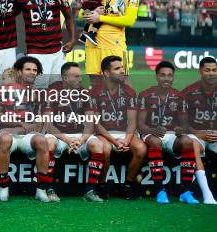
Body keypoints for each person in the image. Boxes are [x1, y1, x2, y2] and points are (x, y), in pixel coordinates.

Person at [138, 61, 204, 204]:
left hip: (171, 135)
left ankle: (186, 192)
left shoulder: (179, 97)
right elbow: (140, 126)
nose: (166, 79)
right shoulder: (145, 95)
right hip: (151, 133)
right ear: (156, 77)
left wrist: (181, 130)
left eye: (169, 75)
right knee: (155, 141)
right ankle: (160, 190)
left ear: (173, 78)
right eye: (162, 75)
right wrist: (153, 130)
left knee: (187, 141)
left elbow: (184, 125)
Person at [43, 62, 106, 202]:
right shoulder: (52, 93)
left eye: (80, 76)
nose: (80, 79)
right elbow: (48, 124)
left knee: (98, 145)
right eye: (76, 77)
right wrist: (67, 139)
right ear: (65, 78)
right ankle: (49, 188)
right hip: (58, 134)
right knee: (48, 143)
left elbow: (90, 124)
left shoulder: (85, 93)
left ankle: (90, 190)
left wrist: (81, 140)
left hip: (79, 135)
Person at [0, 56, 53, 203]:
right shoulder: (4, 90)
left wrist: (25, 129)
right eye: (28, 69)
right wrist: (19, 125)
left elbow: (43, 121)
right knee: (6, 139)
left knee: (42, 140)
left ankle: (41, 190)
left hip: (28, 135)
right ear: (19, 72)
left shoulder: (40, 94)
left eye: (35, 70)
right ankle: (3, 188)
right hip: (8, 132)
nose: (32, 72)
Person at [93, 56, 146, 200]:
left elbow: (132, 122)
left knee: (141, 148)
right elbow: (96, 124)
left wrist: (126, 140)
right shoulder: (94, 92)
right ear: (106, 73)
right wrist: (115, 142)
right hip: (103, 134)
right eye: (117, 68)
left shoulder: (130, 92)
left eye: (122, 67)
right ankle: (102, 185)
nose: (122, 70)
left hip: (125, 134)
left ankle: (128, 185)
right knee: (105, 149)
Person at [17, 0, 75, 88]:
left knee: (58, 88)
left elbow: (69, 16)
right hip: (36, 51)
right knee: (38, 90)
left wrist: (72, 39)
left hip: (57, 51)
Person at [84, 0, 139, 80]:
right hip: (93, 43)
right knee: (96, 87)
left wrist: (100, 18)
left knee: (123, 86)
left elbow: (129, 21)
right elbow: (82, 12)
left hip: (115, 44)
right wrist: (92, 12)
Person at [181, 56, 217, 204]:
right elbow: (181, 123)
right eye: (207, 70)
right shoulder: (188, 92)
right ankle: (207, 194)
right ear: (200, 72)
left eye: (214, 70)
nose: (211, 73)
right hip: (197, 135)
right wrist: (198, 133)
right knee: (193, 144)